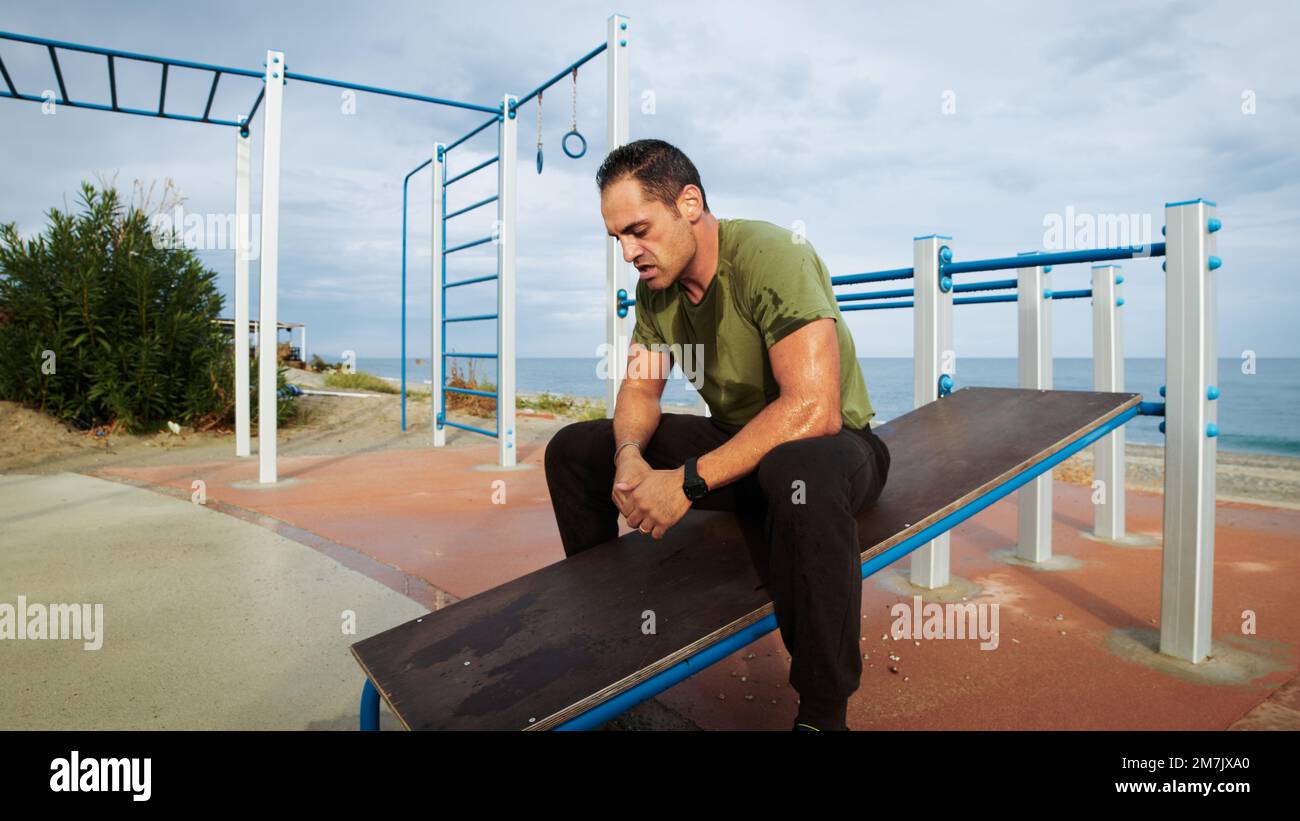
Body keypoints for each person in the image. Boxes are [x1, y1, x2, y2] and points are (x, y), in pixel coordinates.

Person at [543, 139, 890, 731]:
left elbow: (815, 408)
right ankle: (619, 660)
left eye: (639, 230)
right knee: (576, 451)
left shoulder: (772, 254)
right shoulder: (658, 291)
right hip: (741, 444)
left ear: (690, 203)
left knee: (797, 470)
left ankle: (823, 713)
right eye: (618, 239)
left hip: (837, 450)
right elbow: (640, 391)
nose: (629, 252)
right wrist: (628, 456)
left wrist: (687, 482)